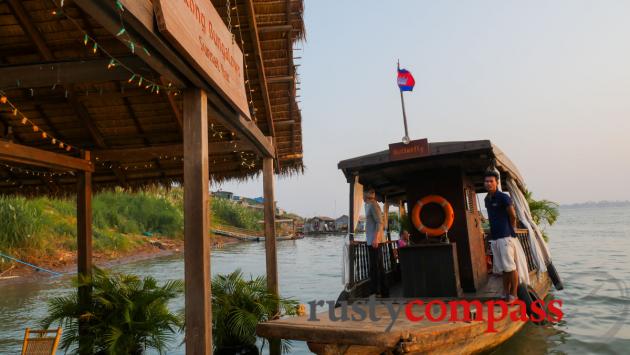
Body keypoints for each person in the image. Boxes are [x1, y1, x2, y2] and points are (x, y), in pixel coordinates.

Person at [484, 170, 519, 303]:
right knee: (503, 268)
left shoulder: (503, 197)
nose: (488, 183)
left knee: (511, 267)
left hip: (505, 237)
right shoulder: (487, 199)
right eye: (486, 181)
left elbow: (513, 215)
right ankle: (505, 293)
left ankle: (513, 294)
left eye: (491, 181)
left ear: (497, 183)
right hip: (495, 238)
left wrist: (509, 230)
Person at [364, 187, 387, 297]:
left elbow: (379, 222)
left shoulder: (373, 205)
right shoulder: (367, 205)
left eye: (364, 193)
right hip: (371, 241)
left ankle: (377, 292)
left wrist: (375, 238)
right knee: (376, 266)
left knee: (376, 267)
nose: (363, 196)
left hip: (375, 241)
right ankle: (381, 291)